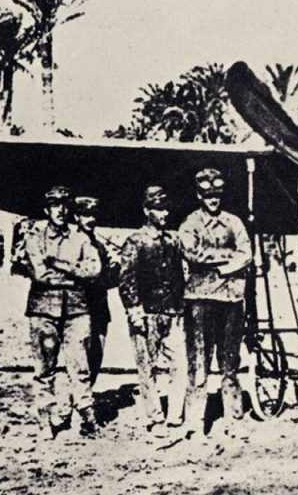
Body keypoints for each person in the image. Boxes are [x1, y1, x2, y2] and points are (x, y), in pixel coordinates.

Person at [20, 186, 102, 438]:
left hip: (77, 311)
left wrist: (59, 265)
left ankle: (87, 419)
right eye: (55, 205)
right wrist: (75, 276)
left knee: (80, 366)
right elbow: (39, 274)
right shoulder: (35, 237)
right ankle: (46, 419)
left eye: (65, 205)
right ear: (47, 209)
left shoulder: (80, 238)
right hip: (44, 311)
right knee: (45, 369)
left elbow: (94, 270)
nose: (61, 210)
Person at [179, 168, 253, 437]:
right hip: (200, 299)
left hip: (231, 297)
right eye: (207, 196)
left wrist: (221, 266)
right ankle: (195, 422)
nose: (213, 200)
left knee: (230, 362)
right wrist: (227, 259)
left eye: (217, 195)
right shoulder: (190, 224)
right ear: (199, 196)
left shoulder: (234, 222)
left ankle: (233, 419)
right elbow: (192, 254)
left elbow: (246, 254)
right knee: (198, 362)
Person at [119, 186, 198, 436]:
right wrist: (134, 309)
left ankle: (175, 415)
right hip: (147, 314)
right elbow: (127, 280)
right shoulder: (135, 242)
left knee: (181, 365)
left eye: (165, 209)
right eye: (158, 209)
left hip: (173, 313)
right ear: (146, 211)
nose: (163, 214)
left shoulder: (172, 241)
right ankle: (154, 418)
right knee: (147, 367)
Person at [74, 196, 120, 386]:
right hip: (78, 307)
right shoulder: (71, 243)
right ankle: (79, 398)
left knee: (96, 354)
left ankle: (88, 394)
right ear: (76, 217)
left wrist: (116, 269)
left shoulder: (100, 246)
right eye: (85, 215)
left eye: (93, 215)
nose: (90, 219)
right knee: (79, 356)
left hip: (99, 307)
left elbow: (107, 281)